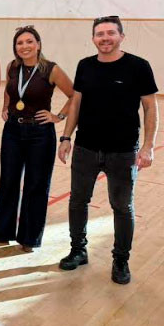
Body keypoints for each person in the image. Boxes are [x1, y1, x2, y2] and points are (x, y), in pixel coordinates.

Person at [58, 16, 158, 285]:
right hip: (86, 148)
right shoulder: (85, 65)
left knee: (122, 207)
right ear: (93, 38)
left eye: (111, 33)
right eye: (100, 34)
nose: (105, 38)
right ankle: (78, 250)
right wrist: (66, 137)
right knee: (78, 201)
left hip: (123, 152)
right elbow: (76, 102)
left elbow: (150, 107)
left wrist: (148, 146)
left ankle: (121, 260)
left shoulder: (138, 66)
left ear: (121, 36)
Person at [0, 26, 74, 252]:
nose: (25, 46)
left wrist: (58, 116)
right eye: (20, 43)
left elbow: (74, 95)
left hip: (40, 134)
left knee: (36, 185)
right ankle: (3, 231)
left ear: (38, 44)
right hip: (12, 131)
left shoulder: (51, 69)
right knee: (8, 181)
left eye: (29, 41)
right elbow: (9, 90)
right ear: (15, 47)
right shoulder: (13, 66)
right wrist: (5, 107)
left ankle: (29, 238)